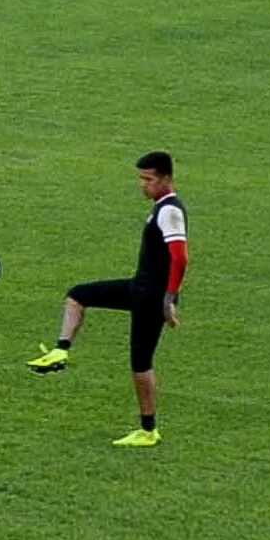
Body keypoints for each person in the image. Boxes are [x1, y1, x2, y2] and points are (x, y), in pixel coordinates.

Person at [34, 149, 190, 446]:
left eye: (149, 179)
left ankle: (148, 431)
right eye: (141, 178)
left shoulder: (170, 211)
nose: (143, 185)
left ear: (166, 179)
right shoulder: (161, 207)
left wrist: (169, 299)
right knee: (77, 295)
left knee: (141, 363)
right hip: (139, 289)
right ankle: (61, 351)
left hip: (151, 299)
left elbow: (180, 258)